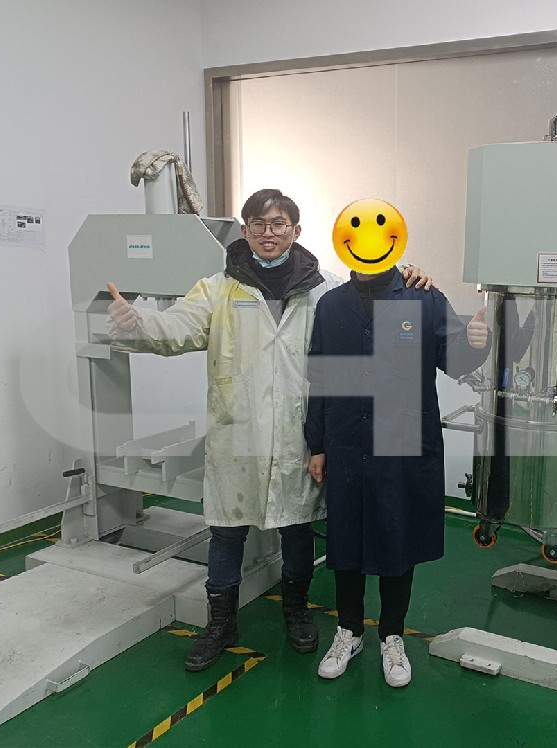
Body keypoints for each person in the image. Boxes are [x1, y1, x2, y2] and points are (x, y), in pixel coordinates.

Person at [105, 189, 433, 672]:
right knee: (226, 531)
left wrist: (408, 276)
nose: (268, 233)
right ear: (244, 231)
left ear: (296, 231)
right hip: (237, 431)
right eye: (257, 224)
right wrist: (137, 322)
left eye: (278, 224)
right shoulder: (218, 289)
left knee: (297, 529)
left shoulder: (323, 290)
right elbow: (176, 328)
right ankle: (220, 623)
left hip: (298, 434)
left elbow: (373, 297)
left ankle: (296, 611)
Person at [304, 241, 490, 688]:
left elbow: (454, 361)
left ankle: (391, 635)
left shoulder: (422, 297)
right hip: (347, 436)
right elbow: (320, 379)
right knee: (346, 536)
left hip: (402, 436)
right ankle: (348, 631)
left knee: (396, 536)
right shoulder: (332, 305)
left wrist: (475, 343)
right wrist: (318, 443)